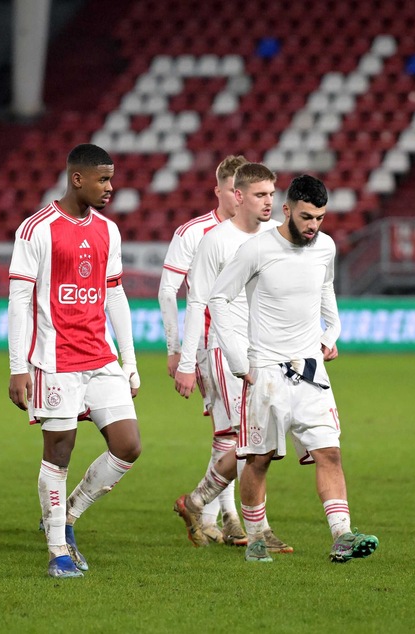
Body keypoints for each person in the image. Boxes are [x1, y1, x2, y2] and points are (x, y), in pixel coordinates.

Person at [208, 174, 379, 563]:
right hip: (265, 370)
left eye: (319, 218)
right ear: (287, 210)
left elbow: (325, 289)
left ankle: (342, 535)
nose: (313, 226)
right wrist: (237, 358)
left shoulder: (325, 247)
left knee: (330, 453)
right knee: (259, 459)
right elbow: (219, 298)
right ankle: (255, 539)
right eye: (306, 217)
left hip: (311, 371)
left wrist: (331, 331)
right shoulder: (257, 250)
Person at [8, 143, 142, 579]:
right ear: (77, 178)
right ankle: (57, 552)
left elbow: (115, 294)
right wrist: (17, 366)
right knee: (59, 454)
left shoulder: (108, 230)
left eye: (111, 178)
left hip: (100, 356)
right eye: (103, 179)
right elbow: (19, 300)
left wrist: (130, 358)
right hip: (56, 358)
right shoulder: (37, 229)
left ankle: (67, 516)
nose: (110, 187)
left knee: (127, 445)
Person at [170, 163, 291, 554]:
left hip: (267, 351)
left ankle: (197, 503)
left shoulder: (275, 236)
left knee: (248, 439)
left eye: (272, 194)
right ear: (238, 196)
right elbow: (196, 303)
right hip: (226, 350)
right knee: (249, 439)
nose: (269, 201)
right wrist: (187, 362)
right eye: (261, 194)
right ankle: (258, 529)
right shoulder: (214, 241)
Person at [158, 155, 248, 544]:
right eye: (233, 190)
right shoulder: (194, 233)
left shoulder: (258, 234)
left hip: (247, 345)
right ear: (220, 191)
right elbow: (168, 291)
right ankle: (225, 516)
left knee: (235, 433)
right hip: (208, 346)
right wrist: (177, 350)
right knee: (234, 433)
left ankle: (214, 515)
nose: (240, 197)